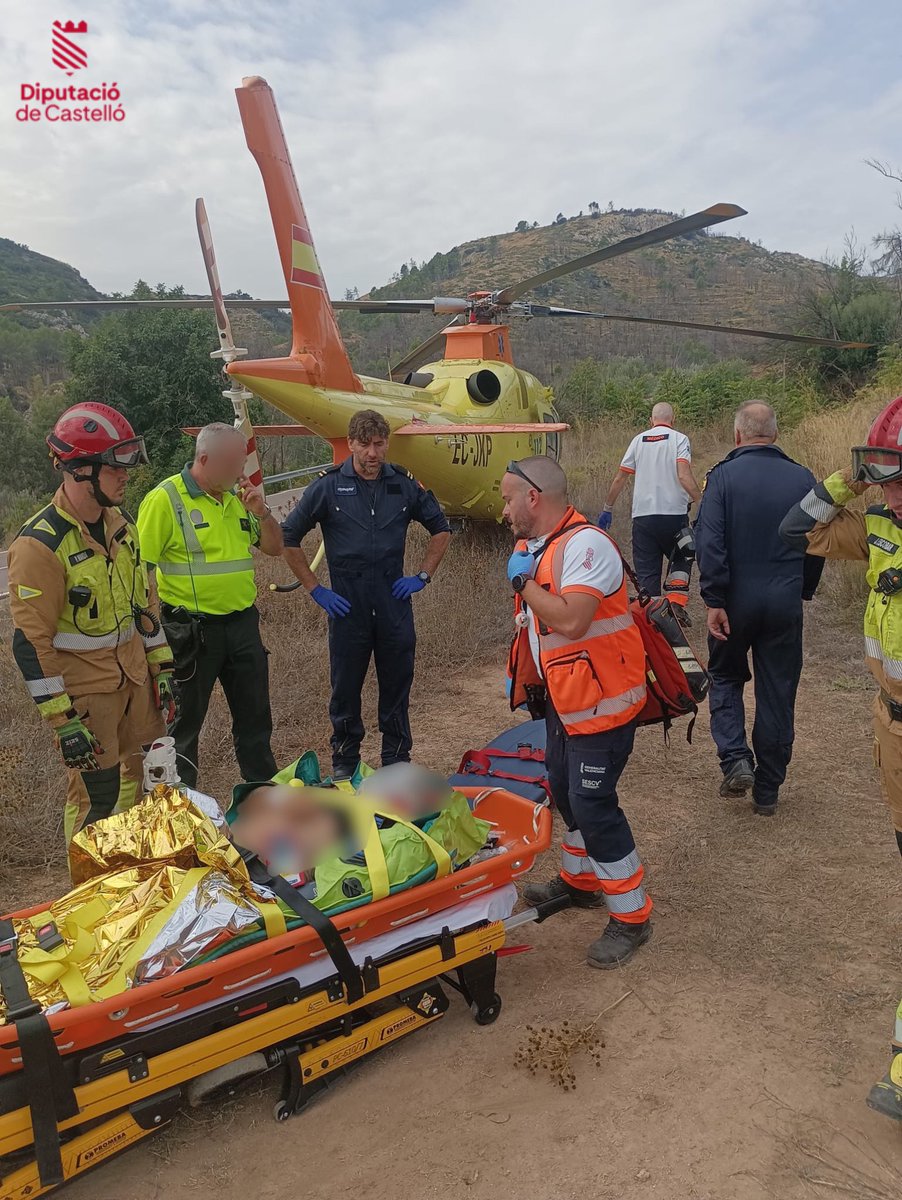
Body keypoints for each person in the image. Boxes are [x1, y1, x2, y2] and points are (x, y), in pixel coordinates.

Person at [778, 396, 902, 1122]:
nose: (885, 488)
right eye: (880, 471)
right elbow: (797, 528)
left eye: (895, 474)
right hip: (891, 732)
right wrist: (846, 483)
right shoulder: (881, 520)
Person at [503, 455, 652, 968]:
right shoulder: (536, 547)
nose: (503, 511)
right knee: (564, 789)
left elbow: (571, 620)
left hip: (602, 705)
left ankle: (631, 916)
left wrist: (523, 586)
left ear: (534, 498)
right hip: (566, 703)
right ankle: (582, 881)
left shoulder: (586, 545)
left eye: (507, 499)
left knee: (593, 802)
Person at [8, 402, 175, 850]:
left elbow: (145, 606)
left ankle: (142, 875)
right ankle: (87, 893)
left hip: (137, 684)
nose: (126, 476)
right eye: (114, 467)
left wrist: (164, 669)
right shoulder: (39, 546)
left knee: (153, 784)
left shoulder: (123, 527)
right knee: (95, 802)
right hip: (88, 697)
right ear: (80, 471)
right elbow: (30, 643)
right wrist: (62, 722)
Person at [281, 409, 451, 777]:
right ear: (351, 444)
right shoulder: (327, 486)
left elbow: (441, 528)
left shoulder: (403, 484)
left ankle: (396, 761)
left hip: (393, 604)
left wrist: (422, 575)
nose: (373, 454)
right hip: (347, 608)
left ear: (386, 444)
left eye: (379, 444)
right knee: (345, 691)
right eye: (365, 445)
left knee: (396, 688)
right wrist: (315, 590)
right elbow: (287, 537)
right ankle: (344, 763)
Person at [137, 423, 283, 788]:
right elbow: (139, 575)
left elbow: (274, 547)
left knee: (255, 720)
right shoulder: (165, 500)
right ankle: (180, 812)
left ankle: (262, 798)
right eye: (234, 463)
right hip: (190, 631)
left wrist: (262, 512)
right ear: (205, 459)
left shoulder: (236, 499)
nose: (240, 472)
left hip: (242, 627)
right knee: (182, 727)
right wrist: (151, 639)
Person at [695, 401, 823, 813]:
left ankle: (734, 759)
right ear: (775, 435)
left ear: (738, 435)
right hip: (784, 600)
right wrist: (803, 589)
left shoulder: (721, 478)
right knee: (777, 692)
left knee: (725, 675)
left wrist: (714, 599)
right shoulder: (804, 478)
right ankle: (768, 790)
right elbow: (817, 541)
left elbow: (709, 541)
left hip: (734, 601)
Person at [598, 401, 701, 604]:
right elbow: (683, 475)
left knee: (647, 573)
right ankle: (675, 606)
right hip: (674, 516)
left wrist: (607, 509)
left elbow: (620, 478)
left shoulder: (638, 441)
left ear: (651, 420)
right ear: (673, 419)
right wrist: (702, 501)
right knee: (681, 556)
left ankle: (652, 615)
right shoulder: (680, 439)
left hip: (643, 518)